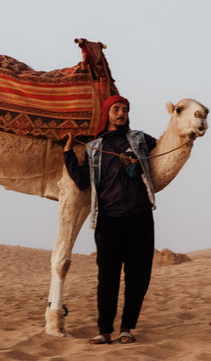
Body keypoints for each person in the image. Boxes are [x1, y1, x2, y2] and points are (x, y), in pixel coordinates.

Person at [64, 95, 158, 345]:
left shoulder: (140, 139)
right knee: (107, 277)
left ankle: (127, 328)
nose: (121, 113)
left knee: (138, 276)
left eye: (125, 109)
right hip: (108, 220)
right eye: (116, 109)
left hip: (140, 216)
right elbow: (83, 182)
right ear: (107, 113)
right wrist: (68, 155)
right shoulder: (94, 146)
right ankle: (104, 330)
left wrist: (140, 164)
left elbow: (161, 156)